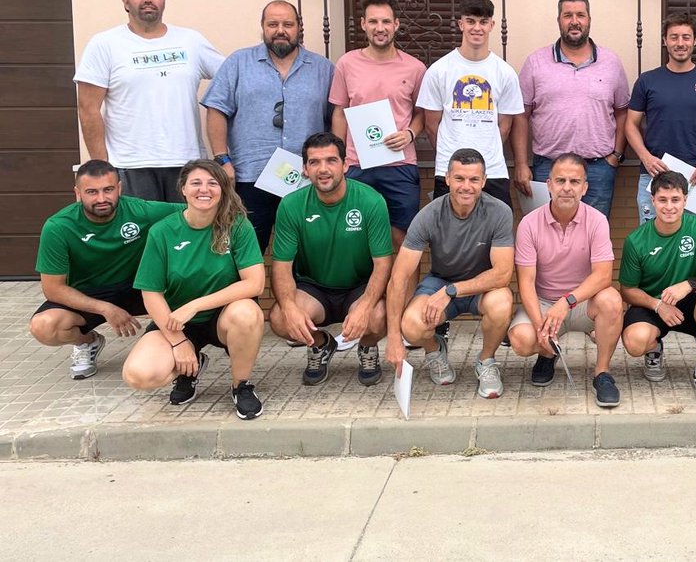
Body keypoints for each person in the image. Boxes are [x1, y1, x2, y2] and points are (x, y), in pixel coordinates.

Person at [121, 160, 267, 420]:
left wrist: (196, 305)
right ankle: (190, 367)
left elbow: (254, 283)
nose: (204, 189)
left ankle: (241, 385)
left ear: (222, 189)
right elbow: (151, 293)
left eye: (213, 183)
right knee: (138, 375)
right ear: (183, 189)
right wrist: (178, 342)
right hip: (177, 322)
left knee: (248, 312)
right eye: (196, 183)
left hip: (222, 318)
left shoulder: (237, 225)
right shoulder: (162, 231)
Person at [74, 0, 224, 202]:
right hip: (130, 166)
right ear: (125, 1)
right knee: (138, 228)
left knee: (184, 227)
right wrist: (103, 168)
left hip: (187, 165)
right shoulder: (104, 44)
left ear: (163, 0)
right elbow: (88, 108)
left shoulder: (191, 41)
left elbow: (233, 78)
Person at [202, 0, 334, 251]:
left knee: (306, 254)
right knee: (246, 253)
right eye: (273, 24)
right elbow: (216, 109)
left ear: (299, 27)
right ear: (262, 26)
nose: (280, 30)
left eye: (288, 24)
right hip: (250, 176)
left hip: (304, 178)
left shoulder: (323, 69)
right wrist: (222, 159)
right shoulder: (238, 63)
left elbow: (335, 117)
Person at [30, 160, 179, 379]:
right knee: (44, 326)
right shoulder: (58, 227)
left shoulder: (141, 210)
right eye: (92, 192)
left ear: (119, 188)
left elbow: (194, 213)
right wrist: (106, 309)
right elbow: (53, 289)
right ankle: (88, 342)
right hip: (88, 293)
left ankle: (181, 349)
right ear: (78, 193)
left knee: (189, 295)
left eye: (108, 190)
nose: (101, 199)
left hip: (138, 287)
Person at [268, 133, 394, 387]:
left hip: (358, 286)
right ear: (305, 169)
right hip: (314, 289)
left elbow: (383, 264)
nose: (323, 169)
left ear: (345, 165)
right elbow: (281, 268)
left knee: (380, 315)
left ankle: (367, 346)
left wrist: (365, 306)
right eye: (314, 162)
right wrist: (290, 308)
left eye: (331, 161)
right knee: (280, 318)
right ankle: (321, 345)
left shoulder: (371, 201)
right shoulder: (291, 205)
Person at [386, 148, 515, 398]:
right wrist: (393, 338)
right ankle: (435, 350)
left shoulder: (499, 212)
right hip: (441, 280)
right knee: (411, 325)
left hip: (481, 286)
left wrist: (452, 291)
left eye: (474, 179)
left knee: (502, 303)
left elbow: (502, 274)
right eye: (459, 178)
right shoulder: (428, 215)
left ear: (484, 181)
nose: (466, 186)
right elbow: (398, 278)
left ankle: (486, 361)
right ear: (447, 179)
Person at [508, 153, 624, 407]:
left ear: (585, 188)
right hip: (544, 303)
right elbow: (525, 283)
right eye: (560, 181)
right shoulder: (529, 224)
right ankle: (547, 354)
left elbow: (603, 275)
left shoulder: (597, 220)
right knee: (521, 340)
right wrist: (541, 328)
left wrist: (567, 301)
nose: (567, 188)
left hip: (581, 302)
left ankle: (602, 373)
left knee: (612, 300)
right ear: (549, 185)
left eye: (574, 181)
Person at [619, 171, 696, 404]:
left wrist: (690, 284)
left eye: (675, 199)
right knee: (635, 343)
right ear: (652, 201)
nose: (669, 207)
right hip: (652, 304)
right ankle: (654, 349)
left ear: (685, 200)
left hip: (690, 303)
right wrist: (658, 305)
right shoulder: (636, 240)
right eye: (662, 200)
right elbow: (627, 290)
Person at [512, 0, 630, 216]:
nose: (574, 21)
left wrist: (616, 156)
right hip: (549, 168)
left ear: (589, 20)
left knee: (593, 232)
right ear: (559, 20)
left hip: (598, 169)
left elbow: (622, 112)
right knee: (547, 231)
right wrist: (520, 163)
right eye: (568, 15)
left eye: (580, 15)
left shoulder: (611, 62)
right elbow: (521, 115)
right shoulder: (536, 62)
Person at [330, 0, 426, 250]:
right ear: (363, 24)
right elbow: (339, 112)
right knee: (355, 237)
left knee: (404, 239)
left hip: (400, 164)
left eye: (385, 21)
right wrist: (339, 158)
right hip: (356, 165)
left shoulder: (415, 68)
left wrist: (409, 134)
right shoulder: (347, 64)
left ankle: (401, 281)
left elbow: (421, 114)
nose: (379, 28)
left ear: (396, 24)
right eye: (373, 21)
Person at [417, 0, 523, 207]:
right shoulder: (439, 70)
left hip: (492, 170)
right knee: (447, 228)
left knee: (498, 227)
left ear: (492, 25)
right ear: (460, 24)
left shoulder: (505, 73)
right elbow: (431, 126)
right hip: (449, 171)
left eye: (483, 22)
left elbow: (504, 127)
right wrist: (452, 155)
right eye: (471, 21)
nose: (477, 28)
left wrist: (485, 151)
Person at [625, 12, 696, 224]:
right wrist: (645, 157)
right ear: (665, 40)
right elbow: (631, 125)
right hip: (654, 174)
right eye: (674, 37)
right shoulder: (647, 81)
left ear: (695, 40)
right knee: (653, 240)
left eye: (686, 37)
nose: (680, 43)